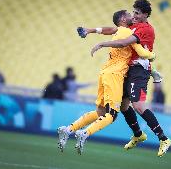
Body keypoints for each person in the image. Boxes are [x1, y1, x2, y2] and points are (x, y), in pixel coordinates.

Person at [57, 10, 156, 154]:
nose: (132, 16)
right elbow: (143, 53)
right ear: (123, 19)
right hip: (115, 75)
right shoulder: (129, 34)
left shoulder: (119, 30)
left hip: (104, 73)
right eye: (129, 14)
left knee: (100, 112)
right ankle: (85, 133)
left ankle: (68, 129)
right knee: (112, 115)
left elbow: (109, 29)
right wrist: (153, 56)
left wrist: (90, 30)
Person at [88, 0, 171, 157]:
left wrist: (102, 44)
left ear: (145, 15)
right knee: (124, 106)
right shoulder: (133, 25)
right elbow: (113, 29)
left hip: (139, 71)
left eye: (137, 13)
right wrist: (91, 30)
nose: (133, 15)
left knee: (139, 106)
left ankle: (164, 138)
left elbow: (125, 42)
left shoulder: (146, 29)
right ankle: (139, 135)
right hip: (129, 70)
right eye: (133, 12)